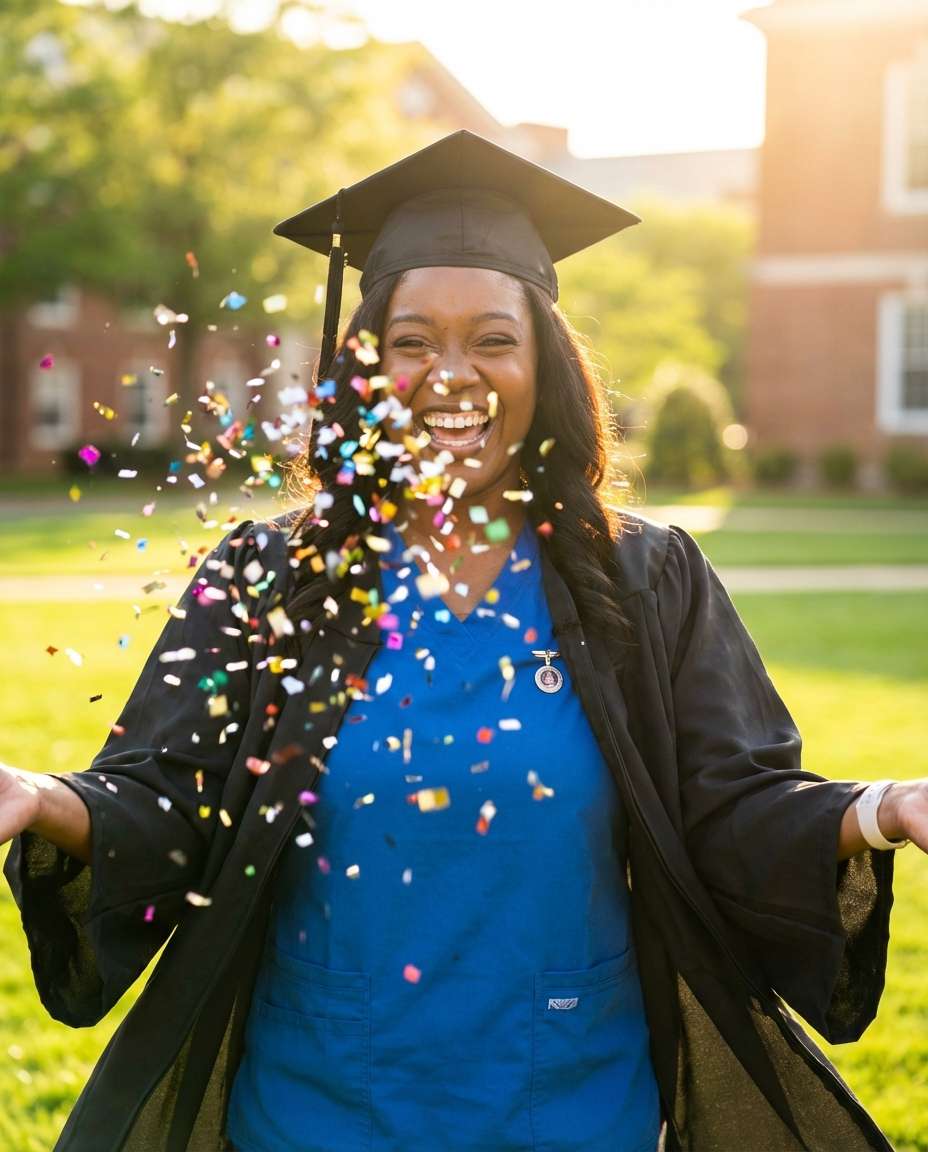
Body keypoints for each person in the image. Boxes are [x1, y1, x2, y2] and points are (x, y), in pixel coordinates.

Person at [1, 130, 923, 1152]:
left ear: (545, 368)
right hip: (316, 1112)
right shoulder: (275, 577)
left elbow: (730, 810)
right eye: (411, 342)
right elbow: (168, 801)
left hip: (573, 1109)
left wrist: (883, 810)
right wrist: (46, 800)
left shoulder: (641, 578)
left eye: (493, 338)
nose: (452, 373)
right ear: (364, 369)